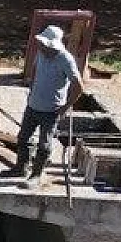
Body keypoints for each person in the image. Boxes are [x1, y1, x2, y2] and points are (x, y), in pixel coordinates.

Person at [8, 25, 84, 183]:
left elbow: (78, 86)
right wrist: (32, 87)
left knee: (44, 143)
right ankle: (20, 168)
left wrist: (65, 107)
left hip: (51, 110)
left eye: (44, 45)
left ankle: (36, 174)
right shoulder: (41, 53)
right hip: (33, 105)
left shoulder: (66, 59)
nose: (41, 47)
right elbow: (35, 69)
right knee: (23, 138)